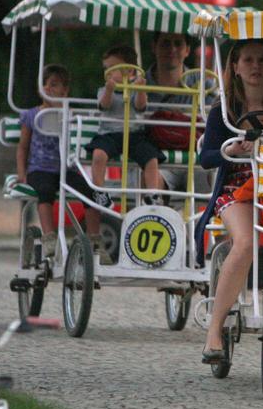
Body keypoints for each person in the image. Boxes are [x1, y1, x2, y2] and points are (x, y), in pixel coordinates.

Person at [195, 39, 263, 364]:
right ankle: (214, 332)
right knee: (246, 242)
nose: (255, 67)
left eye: (262, 60)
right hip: (235, 189)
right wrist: (229, 151)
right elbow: (205, 157)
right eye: (247, 60)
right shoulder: (224, 110)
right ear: (234, 66)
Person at [16, 65, 108, 261]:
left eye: (55, 85)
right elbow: (23, 147)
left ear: (65, 91)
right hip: (40, 168)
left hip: (67, 167)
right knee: (45, 191)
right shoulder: (32, 115)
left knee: (91, 191)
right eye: (45, 84)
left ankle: (95, 240)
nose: (48, 89)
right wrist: (22, 173)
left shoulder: (71, 115)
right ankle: (50, 237)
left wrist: (64, 113)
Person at [86, 45, 165, 208]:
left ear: (129, 71)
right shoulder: (104, 90)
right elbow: (104, 105)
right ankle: (99, 191)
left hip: (134, 134)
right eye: (106, 69)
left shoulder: (136, 89)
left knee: (151, 158)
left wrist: (140, 90)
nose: (107, 73)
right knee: (99, 154)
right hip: (109, 134)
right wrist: (109, 90)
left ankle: (153, 193)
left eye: (112, 69)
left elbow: (140, 106)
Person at [145, 32, 212, 196]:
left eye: (178, 44)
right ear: (154, 47)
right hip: (159, 161)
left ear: (187, 50)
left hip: (197, 162)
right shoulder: (140, 85)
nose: (172, 49)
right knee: (147, 179)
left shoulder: (204, 84)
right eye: (165, 43)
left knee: (215, 179)